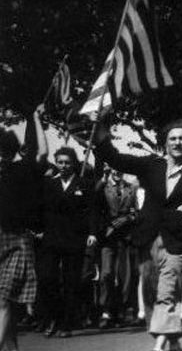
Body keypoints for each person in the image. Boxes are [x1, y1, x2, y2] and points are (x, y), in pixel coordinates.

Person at [92, 120, 182, 351]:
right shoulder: (151, 164)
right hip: (148, 239)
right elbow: (115, 158)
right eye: (172, 138)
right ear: (164, 142)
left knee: (167, 293)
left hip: (177, 242)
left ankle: (158, 347)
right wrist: (102, 129)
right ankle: (172, 344)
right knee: (151, 294)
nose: (177, 142)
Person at [35, 145, 97, 337]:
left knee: (71, 282)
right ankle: (52, 317)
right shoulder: (49, 184)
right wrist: (38, 230)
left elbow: (93, 211)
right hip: (51, 238)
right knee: (47, 278)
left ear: (74, 164)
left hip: (74, 238)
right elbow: (41, 210)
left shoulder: (84, 184)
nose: (63, 166)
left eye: (67, 162)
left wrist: (92, 233)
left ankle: (66, 324)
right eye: (60, 162)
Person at [0, 125, 45, 351]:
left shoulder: (21, 169)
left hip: (17, 241)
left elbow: (43, 152)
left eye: (3, 152)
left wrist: (36, 119)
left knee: (3, 298)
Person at [95, 166, 138, 329]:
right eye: (113, 169)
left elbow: (136, 212)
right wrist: (103, 178)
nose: (117, 172)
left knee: (124, 277)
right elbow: (95, 203)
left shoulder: (130, 188)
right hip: (107, 236)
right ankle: (105, 311)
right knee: (106, 274)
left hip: (125, 237)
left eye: (120, 169)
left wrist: (127, 218)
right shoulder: (103, 186)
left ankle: (121, 310)